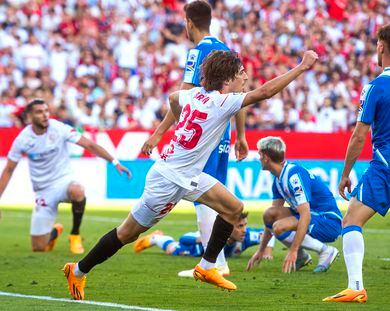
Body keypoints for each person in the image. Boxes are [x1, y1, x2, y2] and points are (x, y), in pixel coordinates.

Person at [62, 49, 318, 300]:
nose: (245, 78)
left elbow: (174, 99)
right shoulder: (222, 102)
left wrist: (169, 132)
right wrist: (302, 67)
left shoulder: (193, 95)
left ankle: (207, 267)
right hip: (169, 180)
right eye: (241, 74)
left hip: (189, 174)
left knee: (233, 208)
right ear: (227, 80)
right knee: (127, 233)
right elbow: (265, 92)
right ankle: (77, 270)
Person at [141, 0, 248, 277]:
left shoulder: (197, 53)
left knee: (204, 197)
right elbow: (240, 97)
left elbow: (183, 98)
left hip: (201, 136)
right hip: (222, 134)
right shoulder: (229, 51)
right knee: (215, 195)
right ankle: (215, 261)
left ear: (189, 23)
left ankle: (215, 264)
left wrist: (158, 133)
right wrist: (241, 135)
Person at [324, 25, 390, 303]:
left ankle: (356, 286)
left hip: (388, 163)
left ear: (381, 47)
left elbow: (359, 134)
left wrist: (345, 174)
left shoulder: (375, 86)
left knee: (351, 219)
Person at [0, 99, 131, 253]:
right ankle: (55, 232)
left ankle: (75, 234)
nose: (45, 115)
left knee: (78, 191)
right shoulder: (22, 140)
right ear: (29, 116)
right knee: (38, 248)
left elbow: (89, 144)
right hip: (43, 191)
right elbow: (8, 169)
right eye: (39, 112)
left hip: (64, 181)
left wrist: (114, 162)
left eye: (46, 111)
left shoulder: (58, 128)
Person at [246, 137, 341, 274]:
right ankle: (302, 257)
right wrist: (261, 250)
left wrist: (293, 250)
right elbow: (272, 217)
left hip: (328, 221)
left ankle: (326, 251)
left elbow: (305, 214)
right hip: (314, 216)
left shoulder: (293, 176)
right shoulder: (278, 180)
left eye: (260, 155)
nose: (258, 158)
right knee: (270, 214)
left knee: (279, 227)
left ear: (266, 157)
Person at [133, 212, 275, 260]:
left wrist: (266, 252)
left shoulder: (248, 236)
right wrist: (201, 239)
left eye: (244, 225)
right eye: (240, 226)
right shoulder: (214, 235)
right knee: (174, 249)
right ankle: (156, 237)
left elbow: (270, 232)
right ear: (228, 227)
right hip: (198, 250)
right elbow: (184, 238)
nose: (244, 230)